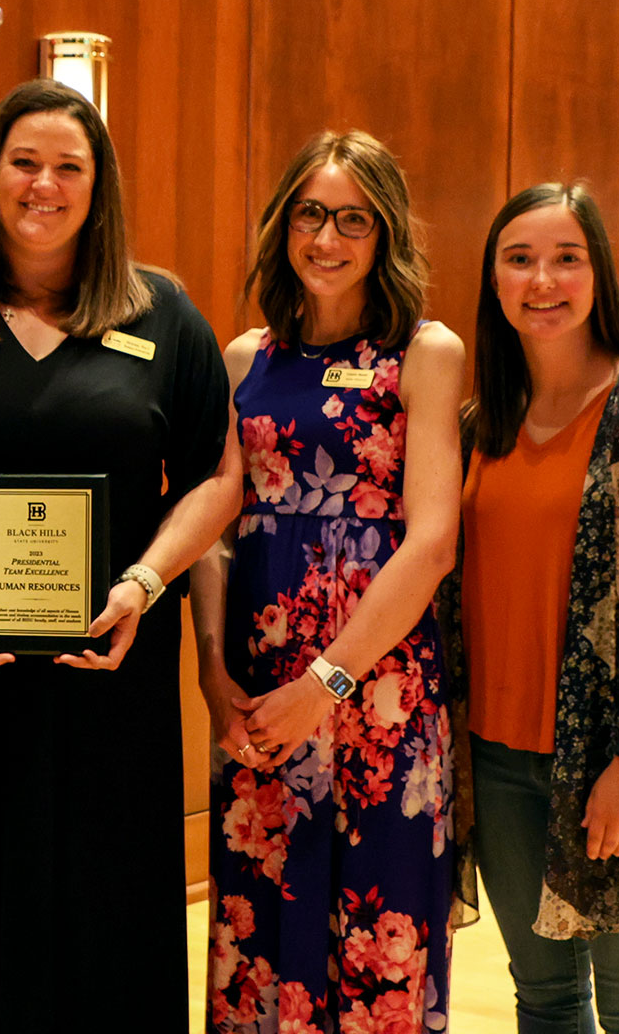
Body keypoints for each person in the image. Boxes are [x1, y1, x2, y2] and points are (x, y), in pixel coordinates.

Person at [0, 78, 239, 1030]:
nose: (45, 184)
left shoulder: (164, 314)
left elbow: (216, 478)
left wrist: (147, 583)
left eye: (70, 166)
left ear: (99, 185)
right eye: (25, 162)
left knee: (110, 912)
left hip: (112, 671)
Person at [193, 131, 463, 1033]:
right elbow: (212, 535)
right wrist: (210, 674)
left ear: (386, 235)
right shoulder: (241, 360)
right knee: (260, 945)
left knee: (377, 954)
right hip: (261, 698)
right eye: (312, 214)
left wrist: (328, 683)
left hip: (377, 692)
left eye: (355, 219)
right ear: (283, 225)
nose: (328, 238)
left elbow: (430, 545)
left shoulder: (424, 352)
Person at [441, 183, 619, 1032]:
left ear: (599, 276)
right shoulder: (477, 423)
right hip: (497, 762)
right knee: (547, 999)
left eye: (568, 259)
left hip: (615, 758)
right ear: (494, 281)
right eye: (520, 259)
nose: (544, 280)